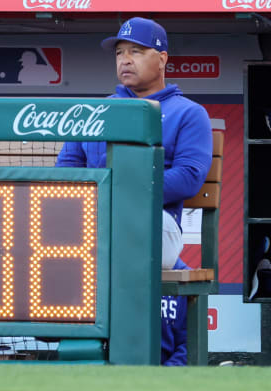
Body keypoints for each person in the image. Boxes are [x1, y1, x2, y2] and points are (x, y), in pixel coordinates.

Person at [56, 17, 213, 270]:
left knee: (116, 231)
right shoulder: (93, 111)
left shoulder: (188, 113)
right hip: (93, 218)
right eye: (119, 53)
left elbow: (188, 177)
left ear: (162, 59)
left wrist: (122, 192)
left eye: (136, 52)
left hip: (155, 220)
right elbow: (66, 170)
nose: (125, 60)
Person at [161, 257, 189, 366]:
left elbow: (189, 344)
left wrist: (166, 372)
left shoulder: (189, 281)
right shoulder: (119, 274)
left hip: (168, 374)